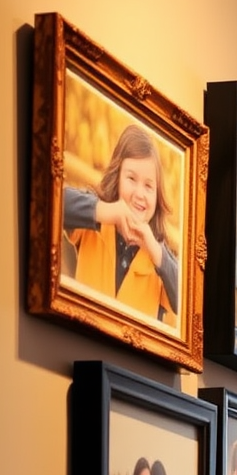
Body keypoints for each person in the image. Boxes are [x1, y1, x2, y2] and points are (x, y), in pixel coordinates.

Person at [63, 123, 178, 325]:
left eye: (149, 186)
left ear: (157, 196)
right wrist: (106, 211)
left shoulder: (158, 258)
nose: (139, 194)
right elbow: (55, 199)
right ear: (117, 178)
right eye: (131, 178)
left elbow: (188, 302)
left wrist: (154, 249)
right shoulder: (96, 224)